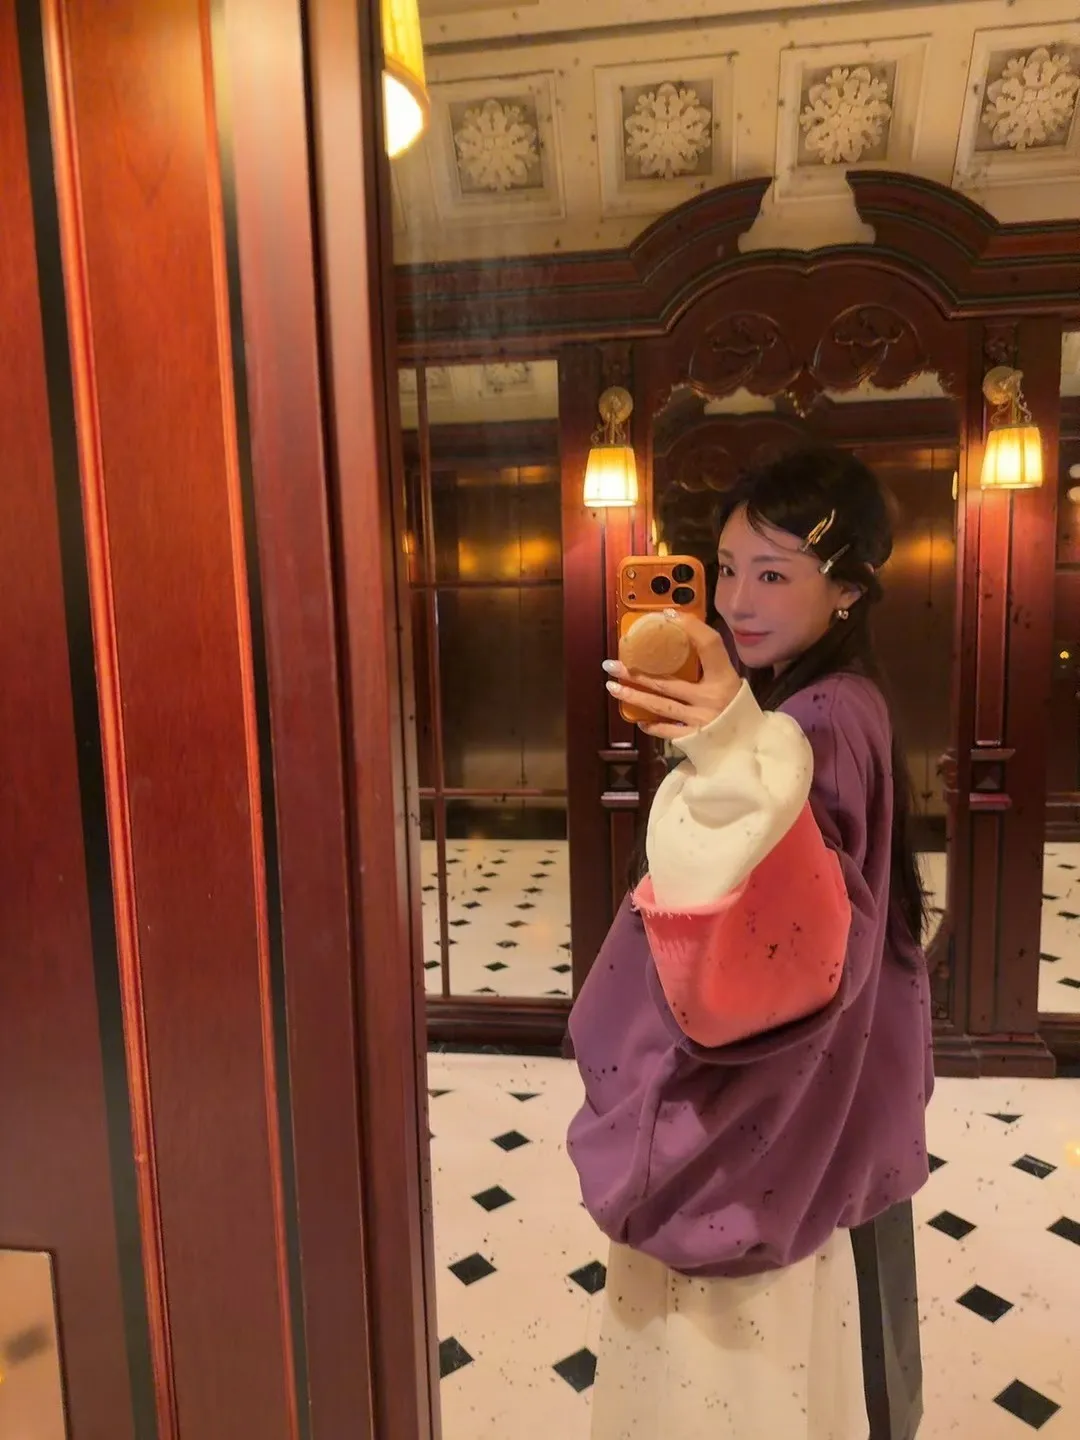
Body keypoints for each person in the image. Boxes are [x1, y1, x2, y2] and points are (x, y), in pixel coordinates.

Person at [566, 446, 934, 1439]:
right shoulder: (838, 700)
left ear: (848, 590)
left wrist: (729, 751)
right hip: (823, 1082)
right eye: (726, 569)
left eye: (774, 574)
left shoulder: (814, 718)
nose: (736, 601)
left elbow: (774, 918)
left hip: (765, 1095)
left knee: (723, 1353)